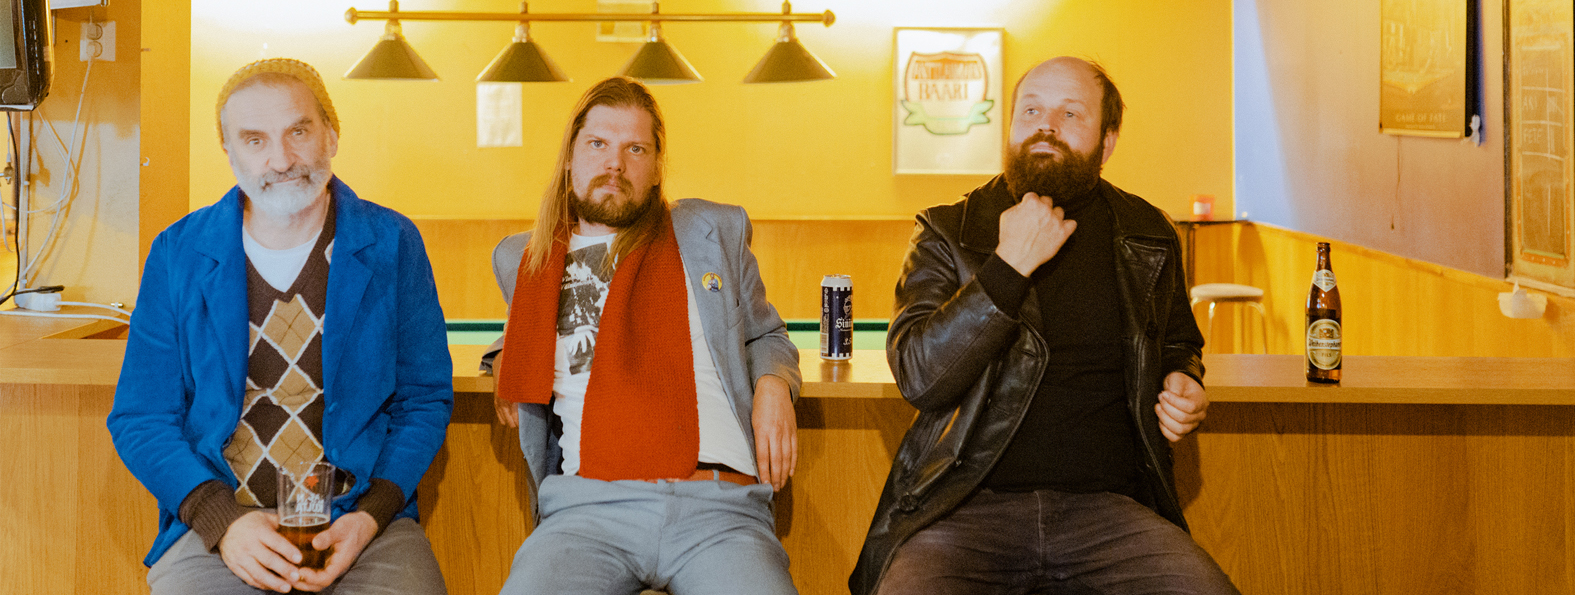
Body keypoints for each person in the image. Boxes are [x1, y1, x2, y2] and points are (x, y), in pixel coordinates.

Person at [851, 57, 1240, 595]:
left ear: (1107, 141)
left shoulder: (1148, 232)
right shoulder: (947, 230)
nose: (1046, 126)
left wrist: (1184, 378)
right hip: (963, 509)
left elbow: (1177, 341)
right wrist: (1007, 268)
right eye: (1030, 111)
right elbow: (920, 376)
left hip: (1109, 512)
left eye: (1070, 113)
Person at [108, 59, 453, 595]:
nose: (282, 160)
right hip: (224, 526)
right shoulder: (178, 253)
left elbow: (423, 399)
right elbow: (141, 417)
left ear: (331, 135)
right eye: (255, 140)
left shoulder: (392, 243)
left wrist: (371, 516)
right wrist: (222, 522)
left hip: (362, 523)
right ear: (229, 152)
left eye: (298, 132)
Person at [491, 76, 801, 595]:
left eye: (635, 149)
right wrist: (503, 351)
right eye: (598, 144)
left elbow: (767, 336)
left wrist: (774, 383)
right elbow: (527, 332)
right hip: (587, 511)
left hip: (718, 509)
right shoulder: (525, 260)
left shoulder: (714, 233)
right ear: (569, 157)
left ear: (657, 166)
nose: (615, 163)